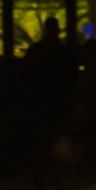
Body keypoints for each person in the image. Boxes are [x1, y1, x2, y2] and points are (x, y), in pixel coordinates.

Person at [20, 16, 74, 171]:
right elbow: (70, 77)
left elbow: (25, 74)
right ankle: (50, 166)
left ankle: (42, 166)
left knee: (43, 135)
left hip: (42, 99)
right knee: (53, 134)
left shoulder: (37, 50)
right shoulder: (63, 52)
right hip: (54, 100)